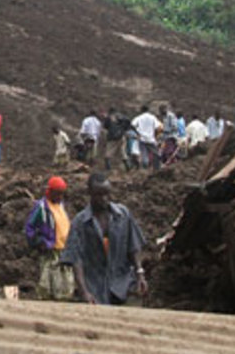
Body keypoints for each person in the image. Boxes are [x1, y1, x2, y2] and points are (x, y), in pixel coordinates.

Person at [61, 172, 148, 306]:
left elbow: (133, 247)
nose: (104, 199)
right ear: (89, 192)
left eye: (107, 194)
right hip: (95, 288)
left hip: (123, 284)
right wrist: (84, 292)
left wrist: (140, 274)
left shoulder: (123, 215)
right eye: (99, 195)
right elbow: (76, 259)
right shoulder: (80, 223)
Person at [24, 176, 76, 300]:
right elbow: (29, 228)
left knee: (66, 285)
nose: (60, 197)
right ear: (50, 192)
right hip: (50, 251)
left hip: (64, 250)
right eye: (57, 194)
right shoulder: (42, 208)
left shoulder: (61, 206)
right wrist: (39, 242)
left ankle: (63, 301)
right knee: (48, 285)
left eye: (62, 194)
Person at [131, 105, 161, 170]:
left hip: (142, 139)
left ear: (142, 110)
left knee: (144, 154)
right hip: (151, 139)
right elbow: (158, 127)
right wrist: (155, 135)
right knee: (156, 154)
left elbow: (132, 125)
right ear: (148, 110)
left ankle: (145, 168)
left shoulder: (139, 117)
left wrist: (137, 133)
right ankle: (156, 169)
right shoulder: (152, 117)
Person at [103, 107, 129, 171]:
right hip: (121, 136)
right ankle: (127, 165)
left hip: (112, 137)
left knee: (109, 151)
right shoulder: (122, 116)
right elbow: (127, 125)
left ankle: (108, 167)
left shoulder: (109, 118)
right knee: (122, 150)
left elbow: (105, 126)